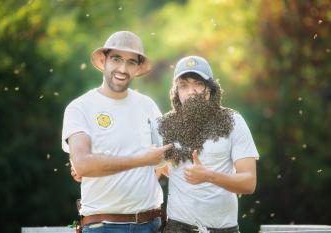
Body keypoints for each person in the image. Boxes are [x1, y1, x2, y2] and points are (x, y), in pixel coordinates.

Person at [61, 31, 172, 233]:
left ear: (138, 68)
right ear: (103, 60)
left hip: (151, 224)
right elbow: (83, 164)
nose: (122, 68)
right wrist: (141, 160)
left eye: (131, 62)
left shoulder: (147, 106)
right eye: (116, 59)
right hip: (102, 227)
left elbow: (164, 161)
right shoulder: (80, 107)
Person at [158, 55, 259, 233]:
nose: (191, 91)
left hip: (223, 228)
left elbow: (249, 182)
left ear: (211, 89)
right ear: (176, 91)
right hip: (178, 227)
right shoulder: (165, 125)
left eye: (198, 84)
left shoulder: (233, 121)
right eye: (184, 85)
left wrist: (209, 176)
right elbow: (156, 168)